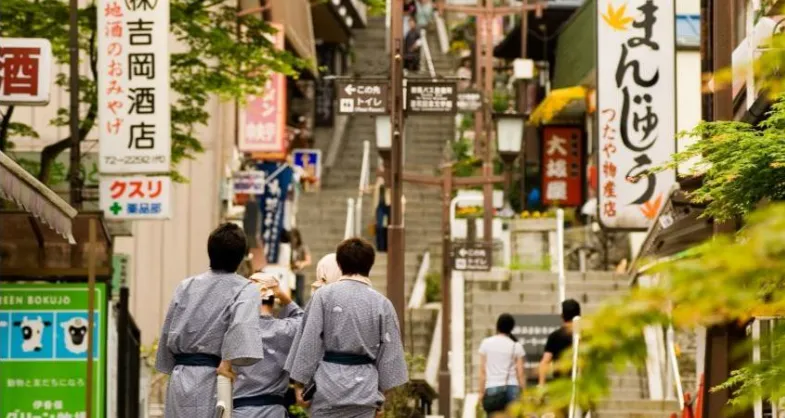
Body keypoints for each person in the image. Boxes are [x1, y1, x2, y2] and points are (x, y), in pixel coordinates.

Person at [286, 238, 409, 418]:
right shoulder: (382, 304)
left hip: (328, 385)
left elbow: (309, 341)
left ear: (340, 263)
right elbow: (390, 355)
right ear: (370, 265)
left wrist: (299, 385)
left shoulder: (323, 296)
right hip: (365, 390)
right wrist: (384, 397)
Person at [156, 223, 265, 418]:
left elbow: (167, 330)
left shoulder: (186, 286)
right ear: (241, 257)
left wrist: (170, 365)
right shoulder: (245, 289)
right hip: (211, 377)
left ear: (210, 251)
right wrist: (227, 362)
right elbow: (241, 325)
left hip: (179, 377)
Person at [233, 273, 304, 418]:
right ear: (273, 300)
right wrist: (281, 293)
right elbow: (304, 320)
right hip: (273, 411)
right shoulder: (286, 330)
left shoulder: (233, 330)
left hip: (240, 411)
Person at [478, 314, 526, 415]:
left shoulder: (486, 343)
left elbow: (483, 371)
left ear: (497, 326)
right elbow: (520, 373)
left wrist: (481, 392)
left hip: (492, 387)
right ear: (511, 328)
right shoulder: (516, 346)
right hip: (512, 388)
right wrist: (524, 391)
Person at [538, 299, 581, 387]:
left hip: (560, 386)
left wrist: (541, 385)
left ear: (562, 316)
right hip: (582, 385)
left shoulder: (555, 336)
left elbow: (545, 362)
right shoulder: (585, 335)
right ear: (579, 315)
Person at [289, 228, 312, 306]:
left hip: (299, 274)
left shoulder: (302, 247)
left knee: (299, 296)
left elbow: (308, 261)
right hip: (289, 274)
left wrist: (301, 264)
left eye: (294, 238)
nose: (293, 240)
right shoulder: (289, 247)